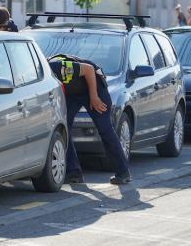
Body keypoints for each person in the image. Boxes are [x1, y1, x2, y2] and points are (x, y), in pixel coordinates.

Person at [47, 54, 131, 185]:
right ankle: (74, 173)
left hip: (94, 88)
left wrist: (94, 96)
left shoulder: (56, 67)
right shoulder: (40, 76)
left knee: (105, 129)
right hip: (74, 93)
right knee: (64, 128)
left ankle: (123, 172)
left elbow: (88, 69)